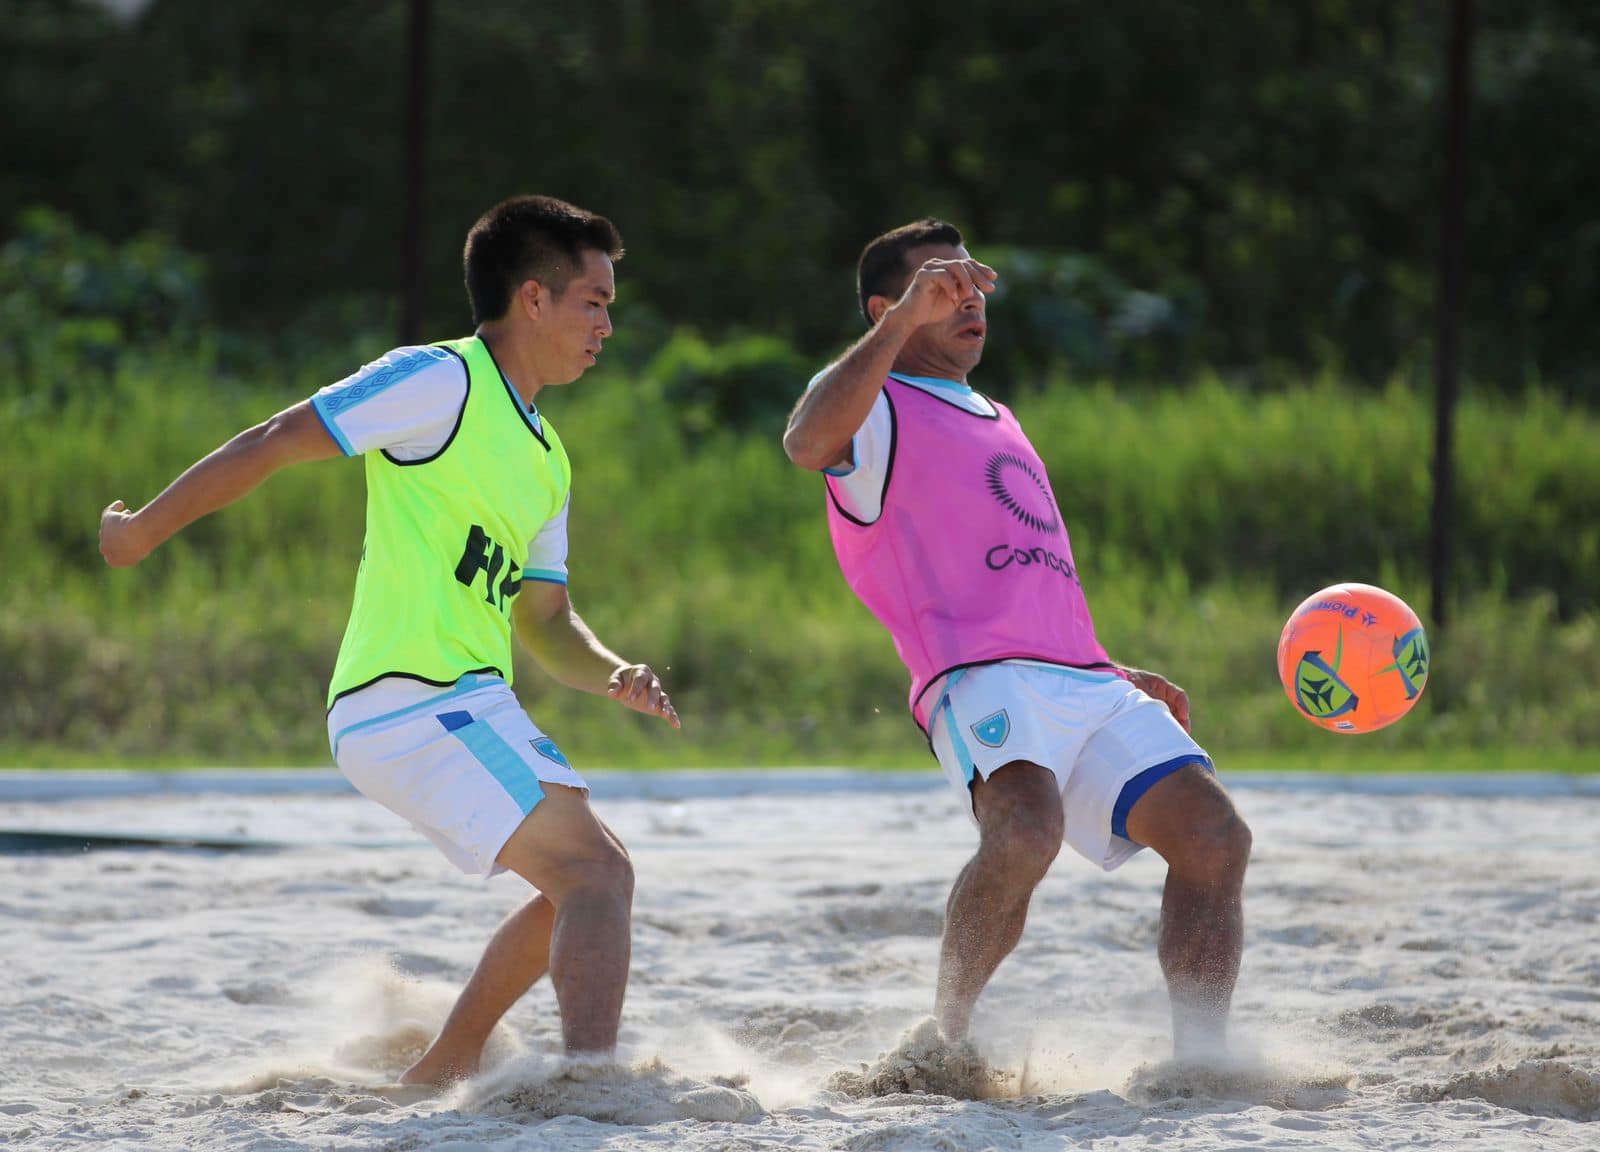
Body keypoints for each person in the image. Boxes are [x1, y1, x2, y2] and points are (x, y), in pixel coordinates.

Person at [99, 195, 679, 1085]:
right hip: (409, 699)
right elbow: (274, 439)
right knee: (594, 875)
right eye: (592, 301)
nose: (607, 322)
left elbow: (547, 622)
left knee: (594, 881)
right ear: (532, 298)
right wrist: (141, 532)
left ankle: (444, 1067)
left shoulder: (549, 456)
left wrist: (614, 674)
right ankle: (592, 1090)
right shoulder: (439, 379)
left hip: (466, 700)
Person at [782, 219, 1251, 1061]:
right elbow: (805, 441)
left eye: (970, 284)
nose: (965, 298)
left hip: (1080, 675)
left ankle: (1204, 1060)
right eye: (939, 285)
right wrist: (891, 331)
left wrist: (1109, 666)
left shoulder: (998, 414)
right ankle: (943, 1041)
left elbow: (1026, 578)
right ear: (887, 309)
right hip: (974, 676)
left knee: (1216, 837)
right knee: (1025, 832)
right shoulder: (877, 402)